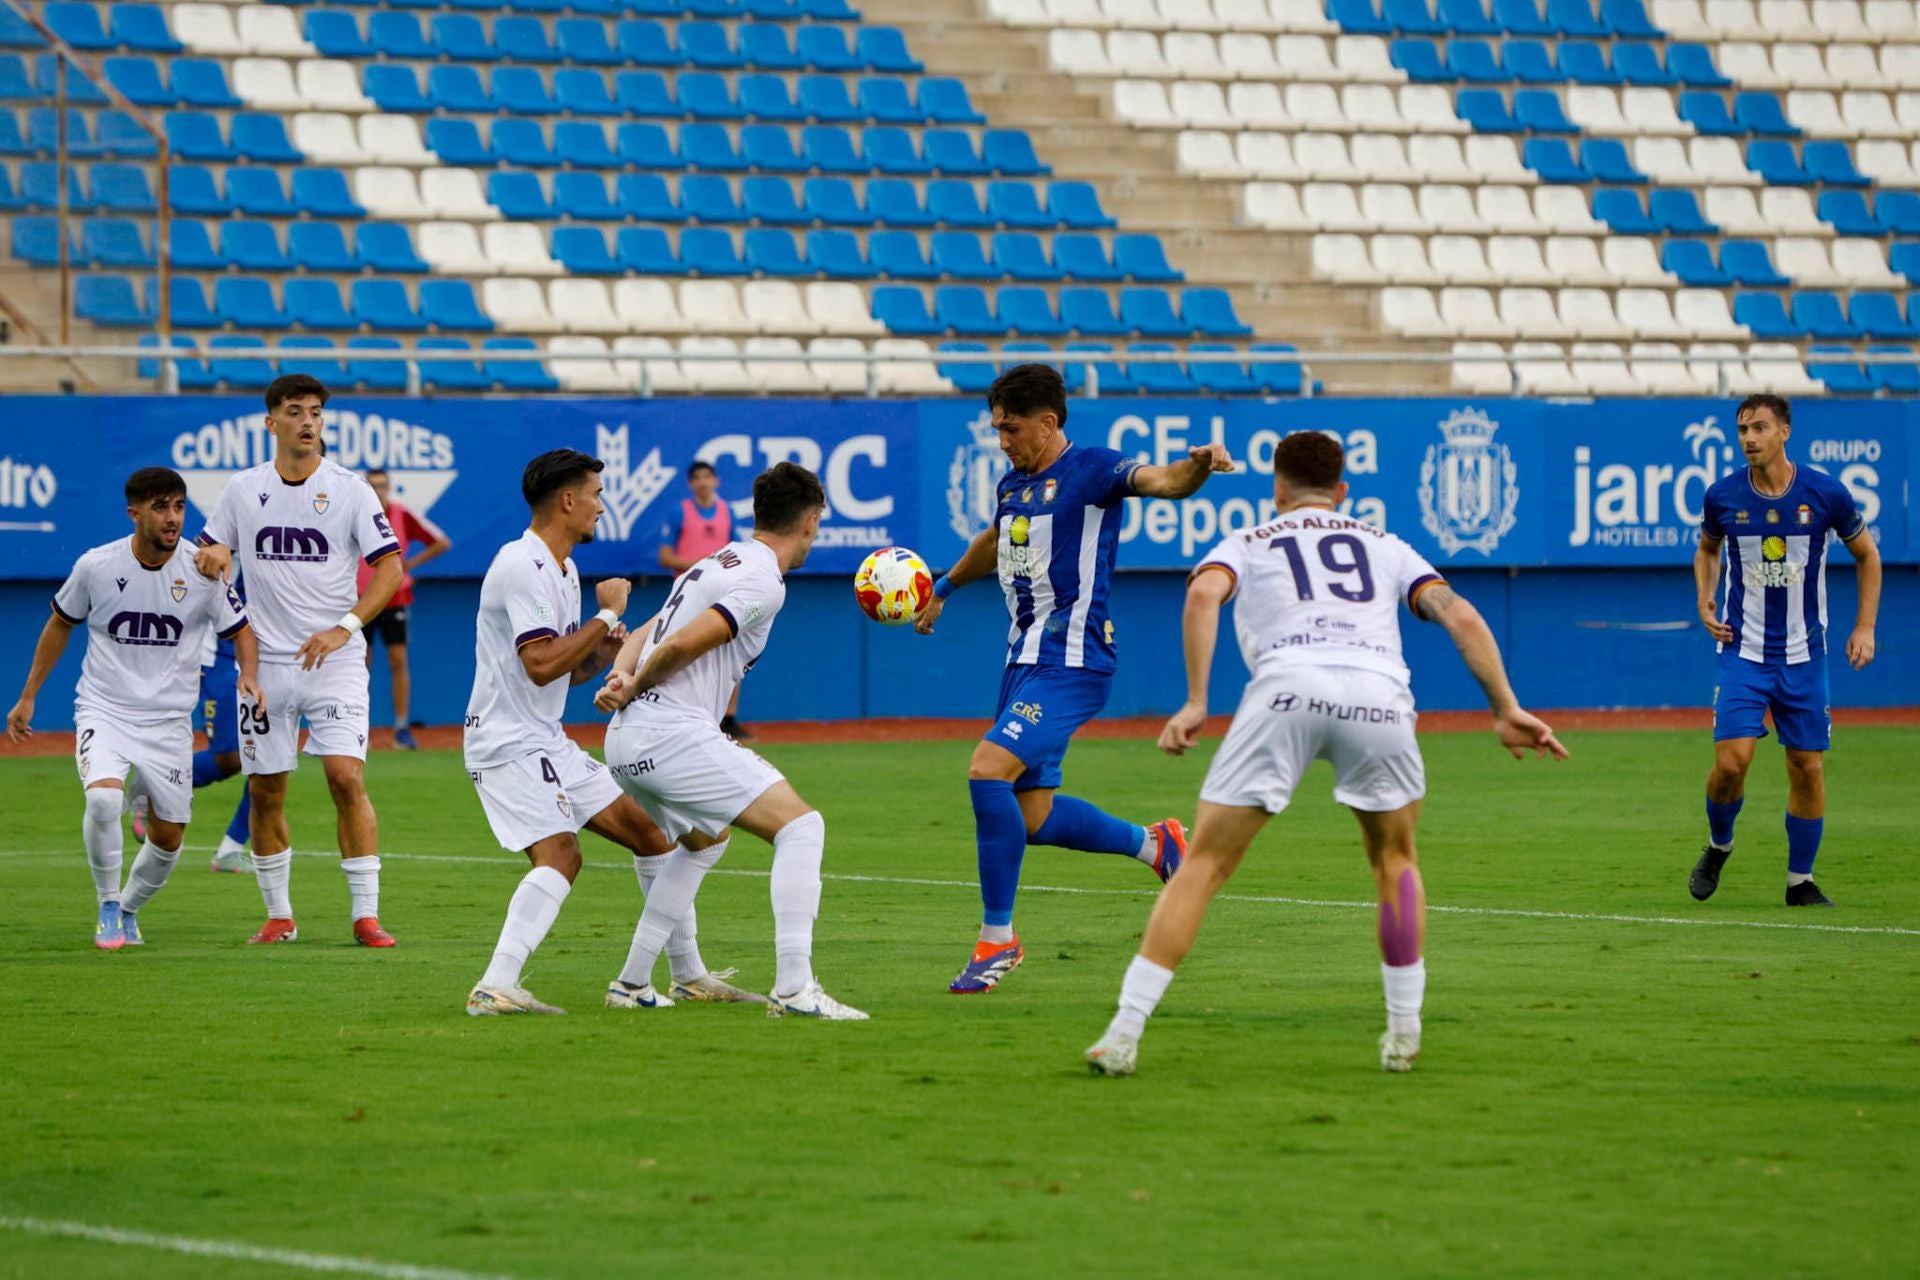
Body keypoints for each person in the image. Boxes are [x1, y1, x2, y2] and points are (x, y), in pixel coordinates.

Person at [1084, 431, 1567, 1077]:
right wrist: (1505, 707)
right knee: (1394, 860)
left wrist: (1197, 702)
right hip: (1378, 696)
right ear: (1342, 493)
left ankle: (1123, 1034)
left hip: (1287, 689)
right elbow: (1460, 613)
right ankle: (1402, 1033)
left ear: (1277, 488)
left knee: (1202, 865)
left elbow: (1202, 595)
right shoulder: (1386, 545)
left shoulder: (1249, 541)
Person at [911, 363, 1235, 995]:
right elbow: (993, 540)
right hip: (1022, 663)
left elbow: (1165, 481)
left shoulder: (1092, 469)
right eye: (997, 428)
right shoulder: (1013, 485)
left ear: (1048, 422)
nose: (1003, 440)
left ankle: (997, 940)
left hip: (1074, 660)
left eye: (1011, 428)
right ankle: (1156, 844)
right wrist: (944, 586)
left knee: (986, 770)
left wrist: (1197, 465)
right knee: (1031, 816)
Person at [465, 449, 754, 1016]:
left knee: (652, 834)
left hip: (543, 737)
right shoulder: (521, 564)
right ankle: (496, 983)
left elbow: (566, 671)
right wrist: (602, 617)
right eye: (595, 493)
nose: (602, 505)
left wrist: (603, 651)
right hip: (506, 742)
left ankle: (688, 975)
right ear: (567, 500)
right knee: (562, 856)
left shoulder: (565, 569)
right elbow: (540, 665)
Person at [595, 462, 866, 1020]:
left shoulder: (715, 560)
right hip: (670, 732)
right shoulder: (764, 580)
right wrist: (637, 682)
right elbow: (684, 643)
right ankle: (795, 989)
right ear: (811, 522)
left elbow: (648, 631)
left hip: (626, 739)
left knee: (707, 841)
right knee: (801, 826)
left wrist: (620, 678)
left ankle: (632, 983)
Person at [7, 467, 258, 948]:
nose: (172, 518)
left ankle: (128, 908)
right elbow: (60, 623)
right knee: (103, 800)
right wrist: (29, 694)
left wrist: (248, 675)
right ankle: (106, 903)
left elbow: (240, 630)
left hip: (168, 722)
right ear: (134, 512)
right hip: (106, 709)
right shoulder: (97, 566)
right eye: (161, 507)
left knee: (168, 839)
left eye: (179, 507)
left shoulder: (202, 571)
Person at [194, 374, 404, 947]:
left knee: (345, 777)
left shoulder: (351, 489)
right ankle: (280, 916)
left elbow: (390, 569)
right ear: (271, 422)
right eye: (295, 411)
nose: (308, 421)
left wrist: (345, 628)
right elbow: (212, 547)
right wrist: (212, 554)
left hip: (333, 660)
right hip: (263, 666)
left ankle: (366, 916)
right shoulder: (242, 489)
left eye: (315, 412)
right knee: (265, 789)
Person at [1688, 394, 1880, 908]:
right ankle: (1718, 845)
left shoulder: (1824, 493)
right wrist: (1705, 600)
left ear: (1785, 432)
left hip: (1804, 656)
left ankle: (1800, 882)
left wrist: (1865, 626)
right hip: (1744, 653)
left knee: (1807, 767)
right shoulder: (1722, 496)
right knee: (1732, 764)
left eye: (1759, 428)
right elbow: (1706, 551)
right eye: (1742, 429)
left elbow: (1867, 555)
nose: (1749, 438)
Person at [359, 468, 452, 751]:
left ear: (389, 488)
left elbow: (441, 541)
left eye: (382, 486)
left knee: (398, 661)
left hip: (395, 599)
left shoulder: (402, 514)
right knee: (358, 667)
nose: (377, 491)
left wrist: (408, 566)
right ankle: (356, 730)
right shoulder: (355, 514)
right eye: (372, 486)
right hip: (361, 600)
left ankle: (401, 728)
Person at [656, 460, 750, 740]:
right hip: (689, 596)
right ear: (690, 484)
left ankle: (728, 719)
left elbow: (736, 552)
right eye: (697, 477)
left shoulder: (726, 512)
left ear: (716, 481)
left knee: (732, 656)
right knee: (682, 653)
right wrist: (699, 565)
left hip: (723, 595)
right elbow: (664, 556)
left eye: (707, 476)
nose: (703, 482)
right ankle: (679, 718)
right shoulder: (679, 512)